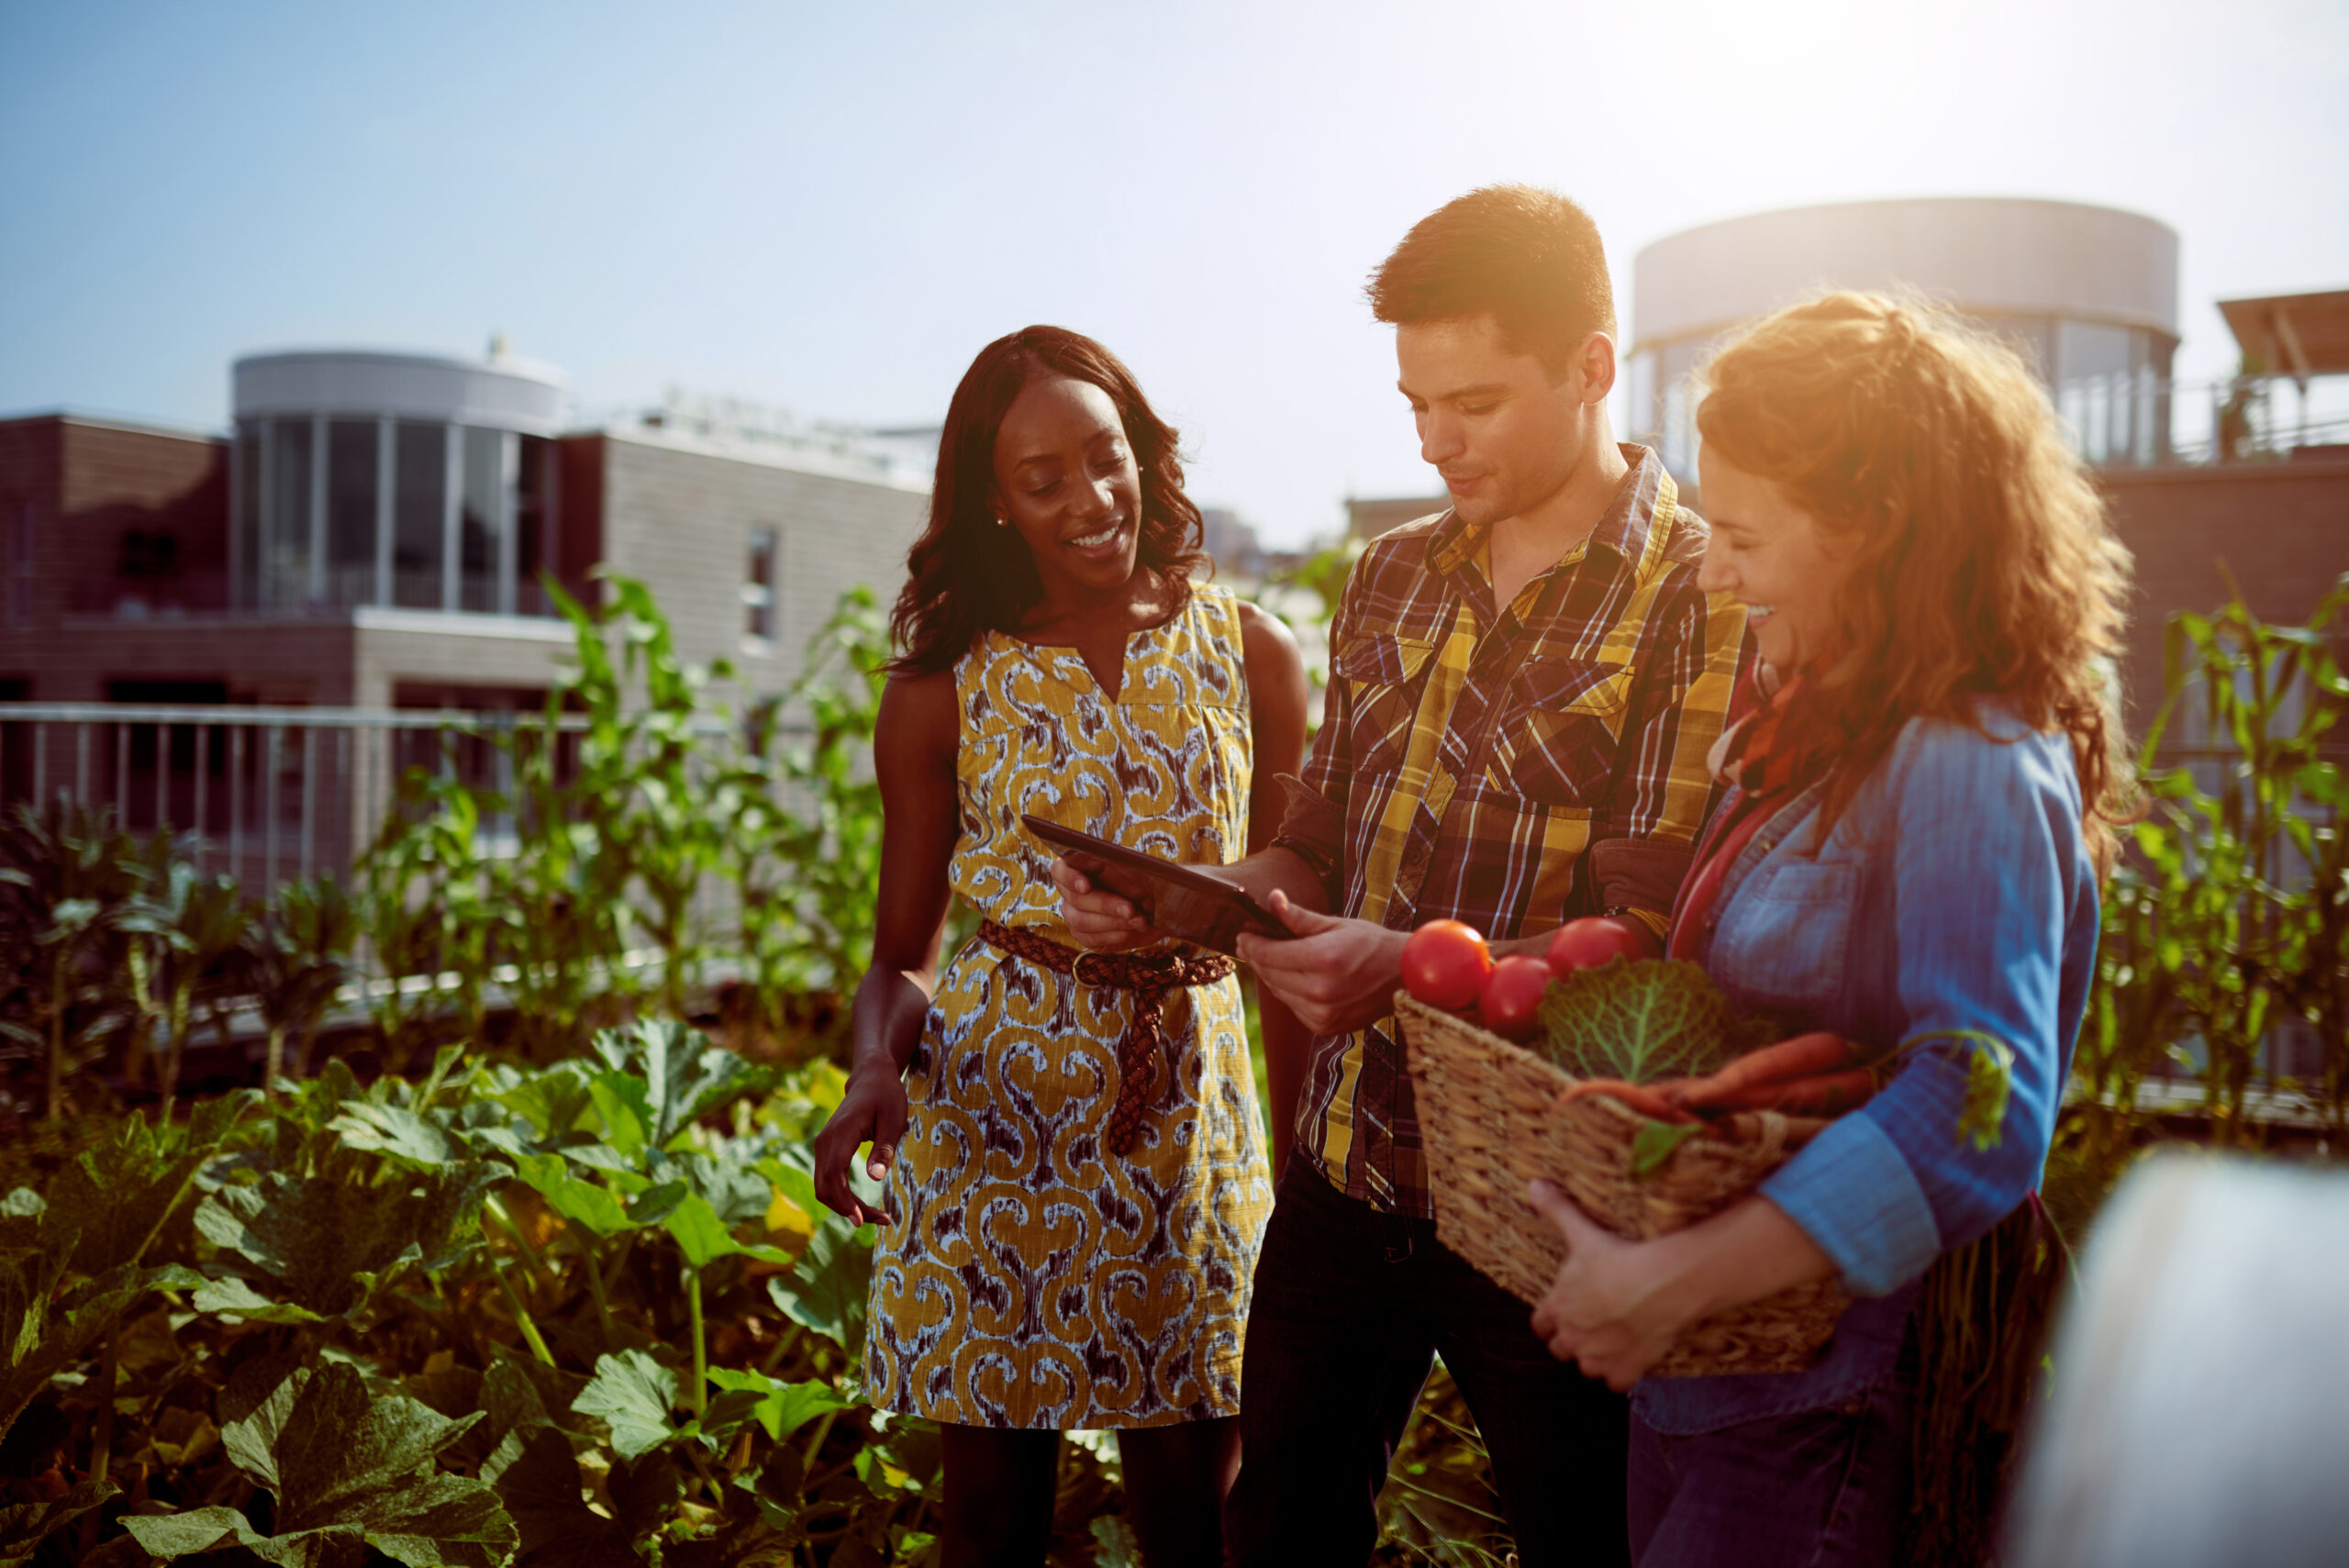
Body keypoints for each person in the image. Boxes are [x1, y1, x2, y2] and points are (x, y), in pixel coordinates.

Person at [1057, 185, 1749, 1565]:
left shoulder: (1699, 587)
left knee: (1582, 1541)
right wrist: (1209, 892)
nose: (1438, 441)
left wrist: (1417, 964)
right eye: (1414, 403)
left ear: (1593, 365)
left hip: (1547, 1199)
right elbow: (1317, 833)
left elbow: (1651, 935)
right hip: (1346, 1163)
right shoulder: (1389, 577)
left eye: (1475, 403)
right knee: (1279, 1537)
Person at [1520, 291, 2130, 1566]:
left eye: (1740, 531)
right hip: (1708, 1385)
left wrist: (1670, 1282)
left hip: (1823, 1410)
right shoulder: (1799, 737)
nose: (1709, 565)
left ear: (1875, 531)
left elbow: (1980, 1104)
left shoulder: (1969, 755)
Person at [810, 325, 1309, 1568]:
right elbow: (900, 952)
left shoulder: (1251, 652)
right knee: (989, 1522)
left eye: (1107, 457)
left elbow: (1301, 909)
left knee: (1198, 1506)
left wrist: (1308, 1175)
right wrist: (875, 1067)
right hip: (990, 1120)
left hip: (1188, 1116)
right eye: (1046, 481)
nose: (1091, 500)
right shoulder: (940, 686)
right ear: (994, 499)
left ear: (1143, 450)